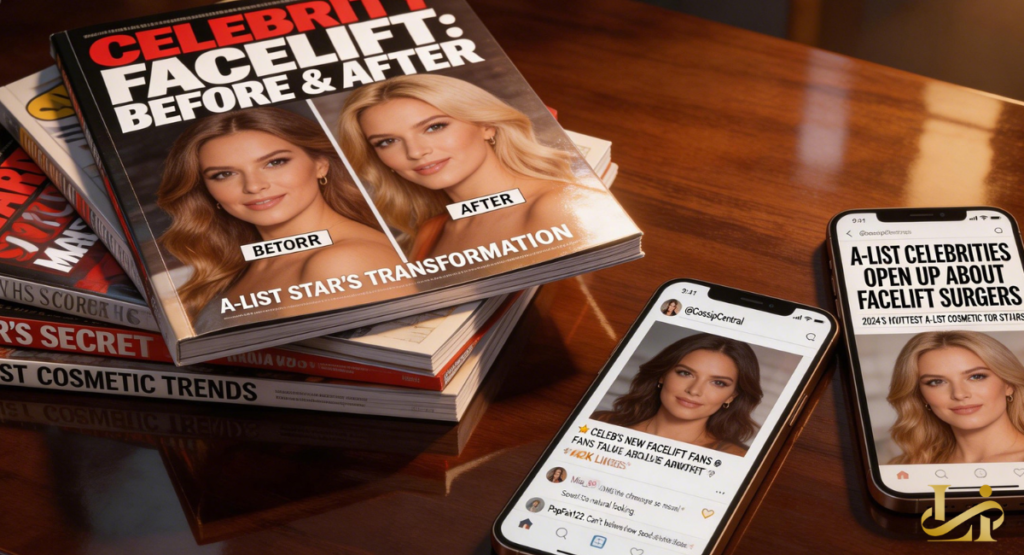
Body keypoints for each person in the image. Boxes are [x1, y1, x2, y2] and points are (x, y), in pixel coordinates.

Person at [157, 106, 406, 321]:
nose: (254, 186)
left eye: (275, 163)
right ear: (208, 191)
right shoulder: (241, 261)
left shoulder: (342, 262)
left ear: (321, 164)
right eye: (224, 175)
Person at [338, 74, 616, 260]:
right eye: (387, 142)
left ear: (486, 125)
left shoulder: (556, 206)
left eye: (435, 127)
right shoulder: (431, 232)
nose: (416, 152)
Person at [594, 333, 763, 456]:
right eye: (684, 373)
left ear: (731, 396)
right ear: (662, 375)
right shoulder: (598, 423)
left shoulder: (735, 457)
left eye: (718, 383)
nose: (694, 390)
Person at [887, 331, 1024, 464]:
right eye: (936, 382)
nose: (959, 394)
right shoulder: (905, 468)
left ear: (1008, 385)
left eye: (976, 377)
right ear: (922, 396)